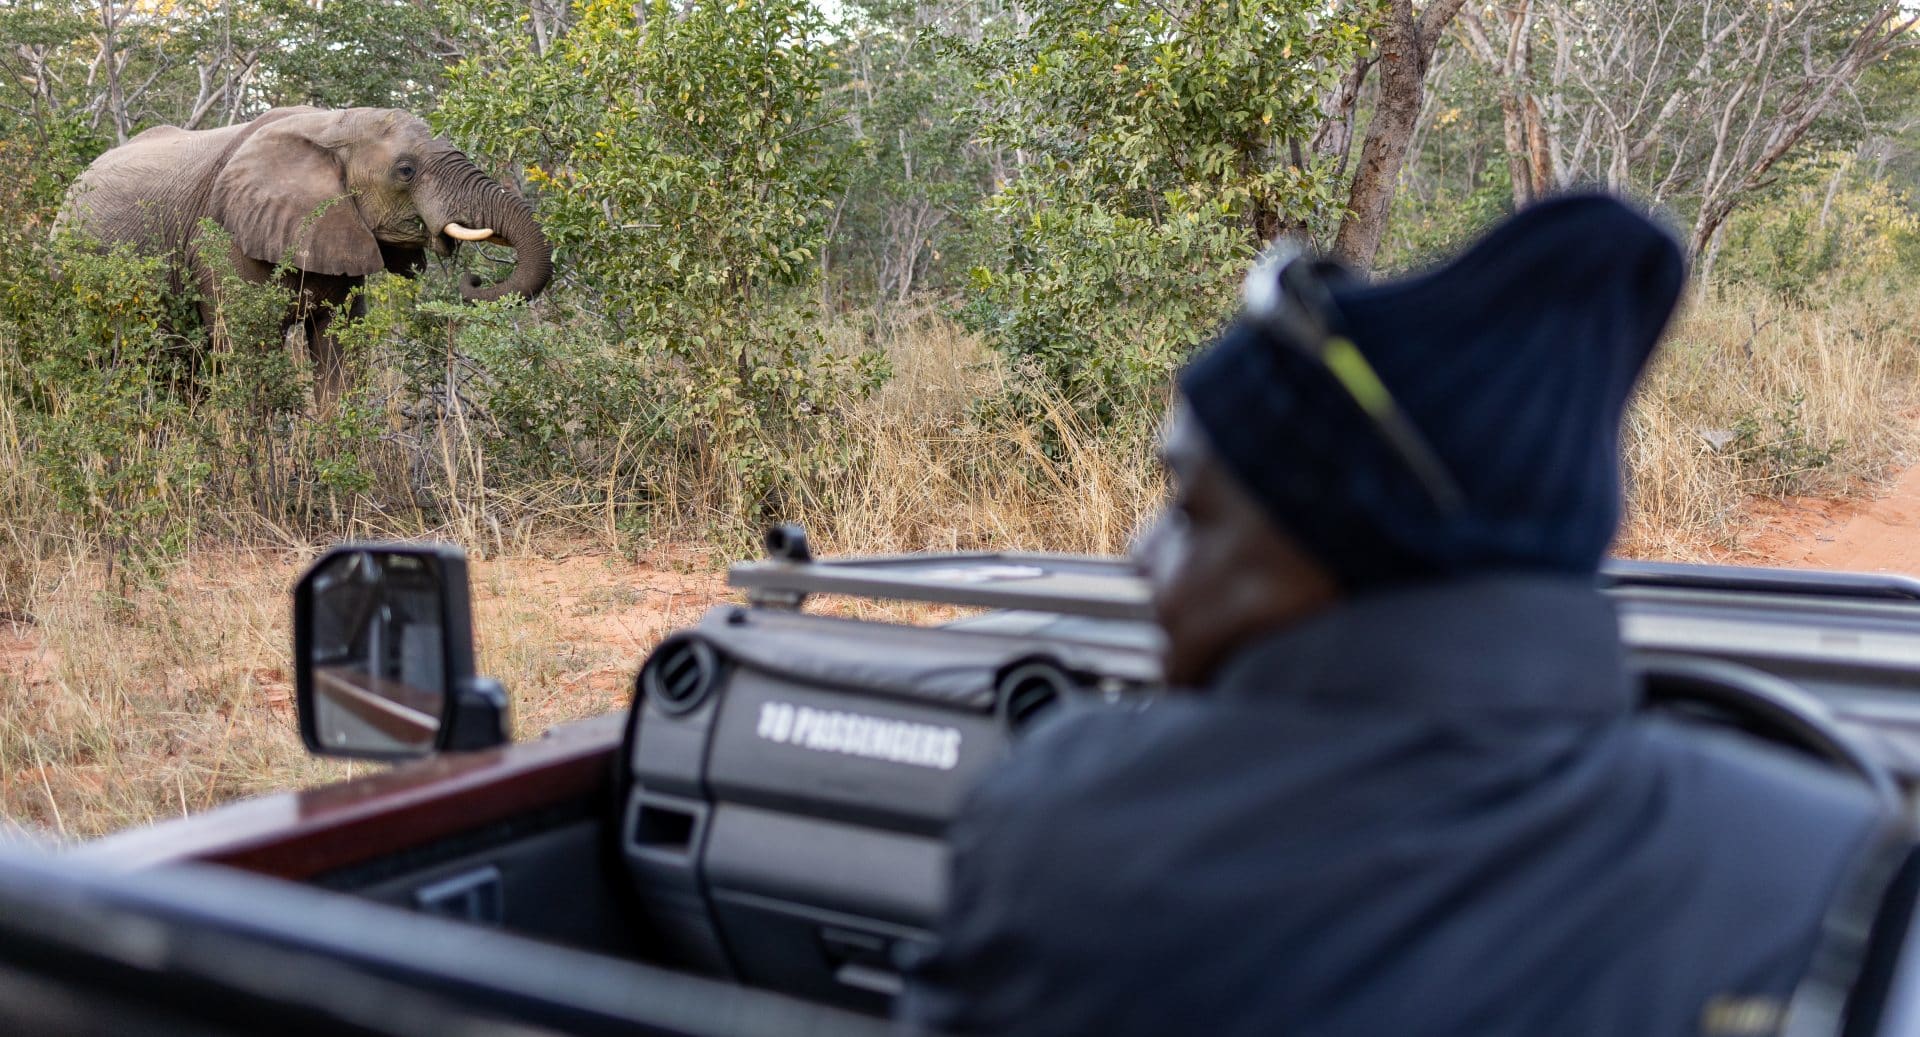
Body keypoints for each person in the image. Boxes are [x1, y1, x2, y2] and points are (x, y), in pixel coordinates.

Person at [896, 194, 1900, 1036]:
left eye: (1192, 510)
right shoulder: (1839, 869)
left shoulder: (1065, 819)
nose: (1139, 550)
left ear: (1341, 551)